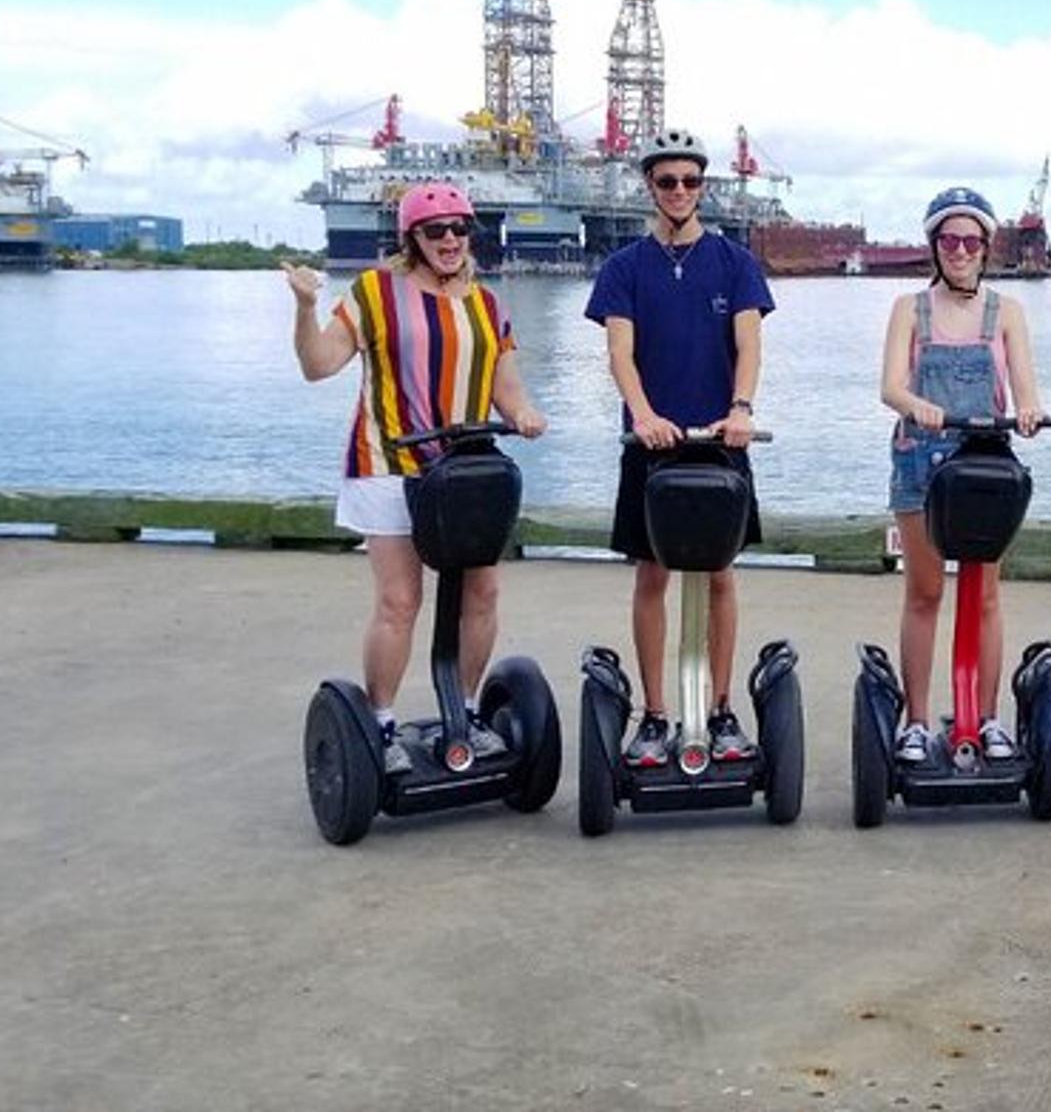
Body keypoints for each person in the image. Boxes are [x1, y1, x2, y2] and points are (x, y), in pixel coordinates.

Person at [283, 182, 548, 775]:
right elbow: (318, 365)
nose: (451, 240)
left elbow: (507, 384)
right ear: (413, 239)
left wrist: (524, 414)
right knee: (400, 601)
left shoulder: (487, 304)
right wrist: (304, 307)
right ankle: (379, 724)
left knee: (482, 594)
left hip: (464, 471)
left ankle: (471, 713)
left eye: (460, 229)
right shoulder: (376, 293)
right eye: (436, 231)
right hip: (388, 464)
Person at [584, 128, 774, 768]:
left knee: (720, 574)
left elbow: (748, 344)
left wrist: (741, 410)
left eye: (691, 181)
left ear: (703, 186)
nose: (680, 191)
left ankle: (720, 710)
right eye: (667, 181)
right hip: (652, 442)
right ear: (650, 187)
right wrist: (643, 415)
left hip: (720, 439)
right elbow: (620, 351)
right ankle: (656, 714)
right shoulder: (624, 267)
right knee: (652, 574)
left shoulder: (734, 263)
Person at [878, 187, 1047, 765]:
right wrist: (914, 404)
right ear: (935, 246)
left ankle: (989, 717)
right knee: (924, 592)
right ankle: (918, 722)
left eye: (970, 241)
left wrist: (1027, 412)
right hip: (921, 460)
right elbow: (890, 386)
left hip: (983, 465)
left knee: (986, 598)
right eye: (949, 240)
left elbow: (1025, 386)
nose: (960, 250)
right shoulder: (910, 309)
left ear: (985, 248)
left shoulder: (1007, 312)